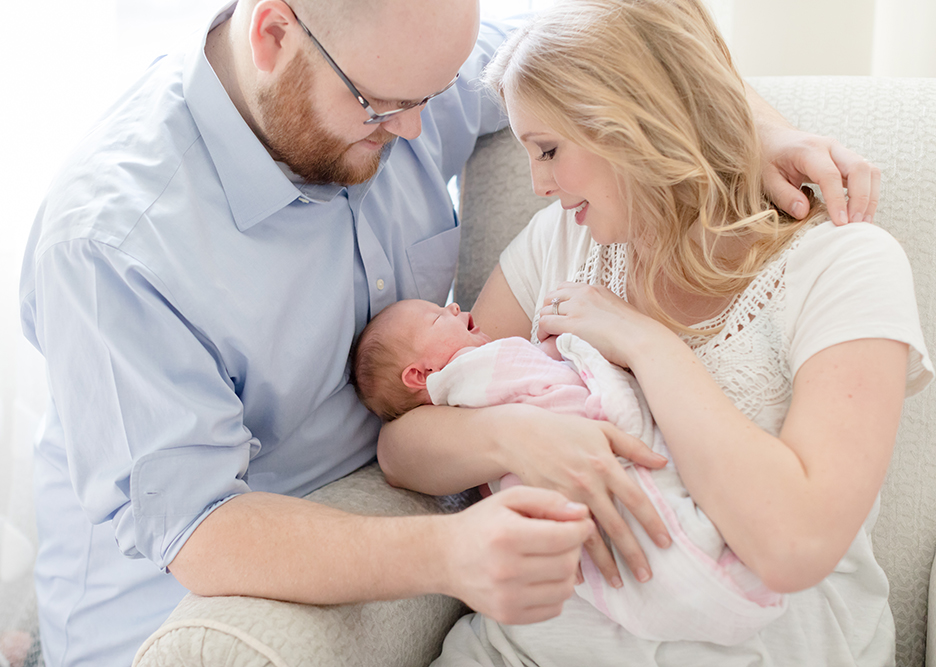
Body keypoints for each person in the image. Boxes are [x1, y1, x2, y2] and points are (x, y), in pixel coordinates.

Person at [18, 0, 885, 663]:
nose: (419, 134)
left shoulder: (394, 53)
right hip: (182, 605)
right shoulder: (112, 243)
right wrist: (453, 547)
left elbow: (629, 59)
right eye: (382, 107)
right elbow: (205, 534)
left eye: (432, 97)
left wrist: (757, 130)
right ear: (273, 34)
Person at [376, 0, 932, 665]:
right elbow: (404, 445)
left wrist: (645, 344)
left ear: (635, 121)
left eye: (549, 149)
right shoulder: (556, 244)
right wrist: (519, 437)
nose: (539, 184)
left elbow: (794, 545)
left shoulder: (845, 265)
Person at [353, 298, 788, 645]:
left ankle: (704, 585)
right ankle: (711, 580)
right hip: (596, 474)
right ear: (420, 375)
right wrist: (567, 350)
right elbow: (538, 378)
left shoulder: (462, 399)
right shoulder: (469, 375)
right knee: (652, 530)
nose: (452, 307)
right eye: (435, 317)